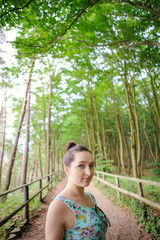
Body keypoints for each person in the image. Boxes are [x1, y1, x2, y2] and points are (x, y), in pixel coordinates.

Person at [45, 141, 110, 240]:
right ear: (67, 170)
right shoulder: (58, 207)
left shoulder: (90, 197)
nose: (89, 172)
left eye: (91, 165)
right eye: (81, 166)